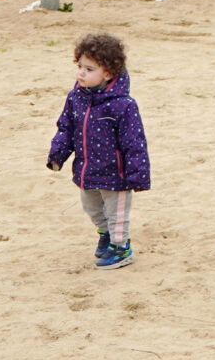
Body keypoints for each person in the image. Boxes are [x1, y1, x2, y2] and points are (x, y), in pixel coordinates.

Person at [47, 32, 152, 270]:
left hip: (117, 174)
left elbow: (134, 142)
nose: (81, 73)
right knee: (92, 206)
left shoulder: (123, 105)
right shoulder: (76, 98)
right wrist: (58, 154)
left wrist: (137, 174)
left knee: (117, 214)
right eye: (79, 66)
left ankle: (121, 248)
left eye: (89, 69)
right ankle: (105, 235)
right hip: (88, 169)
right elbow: (66, 127)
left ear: (108, 74)